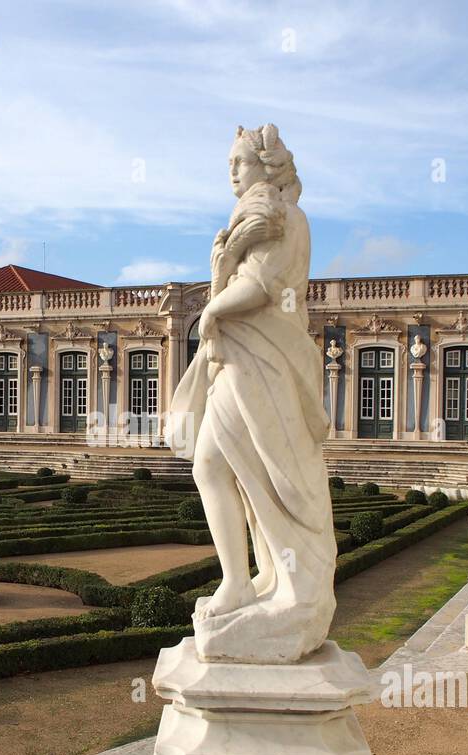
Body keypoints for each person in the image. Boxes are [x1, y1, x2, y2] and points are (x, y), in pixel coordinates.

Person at [167, 124, 335, 659]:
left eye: (239, 161)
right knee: (213, 466)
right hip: (236, 360)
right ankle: (239, 581)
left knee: (233, 468)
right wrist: (218, 279)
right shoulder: (251, 216)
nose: (232, 172)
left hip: (261, 363)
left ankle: (254, 581)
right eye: (231, 164)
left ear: (267, 165)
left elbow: (261, 287)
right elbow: (235, 283)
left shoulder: (286, 218)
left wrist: (213, 307)